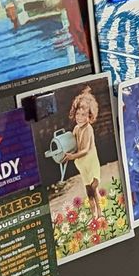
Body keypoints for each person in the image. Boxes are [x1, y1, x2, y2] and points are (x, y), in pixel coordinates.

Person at [55, 88, 105, 223]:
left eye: (84, 115)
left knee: (94, 188)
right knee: (88, 191)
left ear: (90, 116)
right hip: (81, 164)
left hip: (91, 162)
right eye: (78, 113)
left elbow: (85, 150)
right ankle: (94, 215)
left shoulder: (89, 129)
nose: (80, 117)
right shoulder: (76, 128)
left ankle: (100, 214)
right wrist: (65, 153)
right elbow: (73, 145)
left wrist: (72, 156)